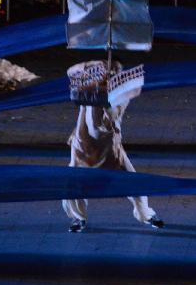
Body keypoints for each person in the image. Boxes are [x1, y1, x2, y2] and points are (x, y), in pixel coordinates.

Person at [62, 60, 164, 232]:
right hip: (83, 150)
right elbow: (71, 70)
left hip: (110, 151)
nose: (110, 75)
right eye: (109, 72)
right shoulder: (89, 86)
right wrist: (93, 65)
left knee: (135, 184)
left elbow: (105, 120)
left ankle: (146, 214)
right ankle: (78, 218)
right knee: (71, 186)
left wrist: (104, 92)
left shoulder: (120, 97)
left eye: (113, 73)